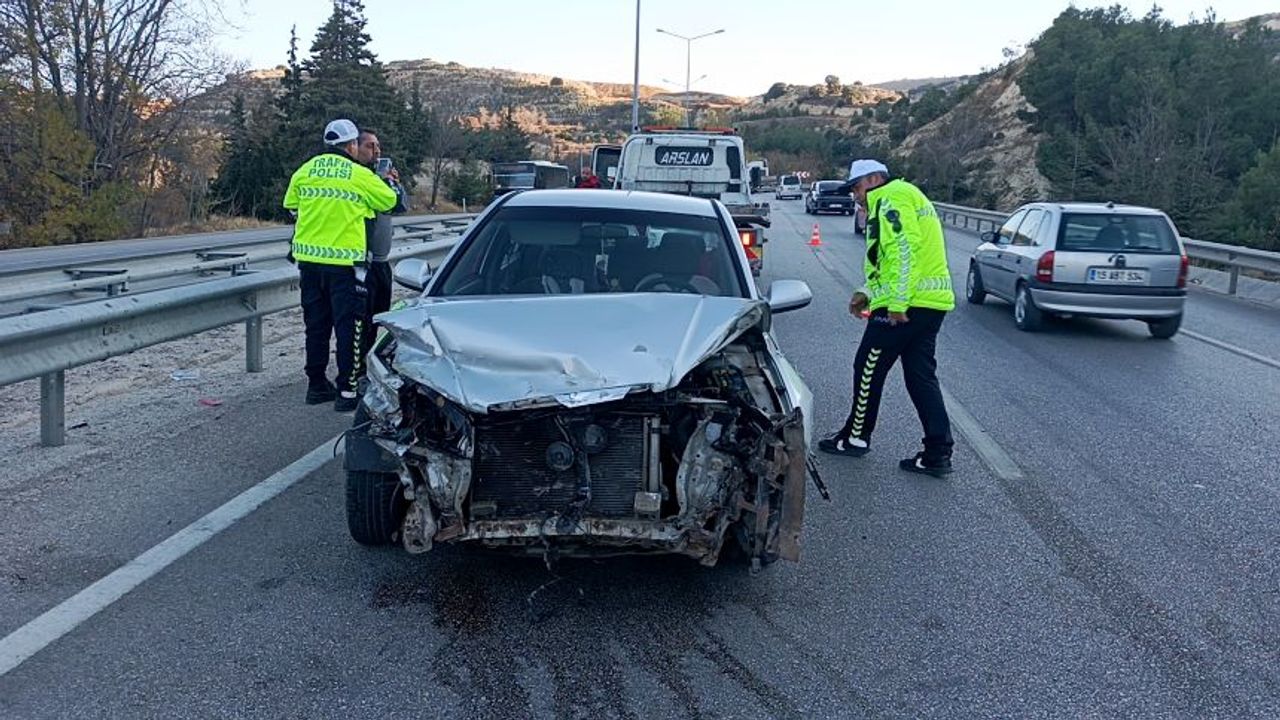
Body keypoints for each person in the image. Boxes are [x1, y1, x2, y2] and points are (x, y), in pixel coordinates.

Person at [818, 159, 956, 477]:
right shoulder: (902, 195)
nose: (854, 195)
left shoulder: (891, 197)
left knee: (868, 365)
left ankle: (855, 438)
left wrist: (897, 304)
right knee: (920, 376)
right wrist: (866, 292)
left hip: (908, 305)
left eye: (856, 187)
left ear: (875, 179)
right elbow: (888, 263)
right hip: (930, 304)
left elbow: (905, 251)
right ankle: (937, 453)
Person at [283, 119, 398, 412]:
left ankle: (316, 385)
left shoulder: (305, 171)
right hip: (346, 266)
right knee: (351, 328)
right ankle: (347, 392)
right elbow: (388, 201)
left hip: (309, 264)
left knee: (316, 327)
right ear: (351, 146)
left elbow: (291, 205)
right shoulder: (358, 174)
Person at [354, 129, 408, 364]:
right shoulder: (358, 179)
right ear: (354, 148)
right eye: (370, 146)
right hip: (362, 263)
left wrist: (394, 184)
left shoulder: (382, 181)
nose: (376, 152)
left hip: (381, 261)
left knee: (379, 318)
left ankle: (371, 363)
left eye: (378, 147)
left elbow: (401, 206)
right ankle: (358, 369)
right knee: (361, 322)